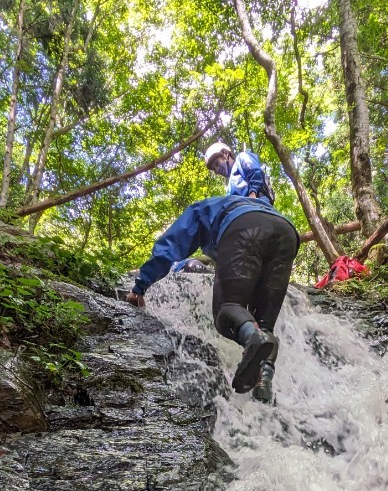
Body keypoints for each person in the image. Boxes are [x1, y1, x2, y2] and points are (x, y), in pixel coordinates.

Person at [125, 193, 298, 404]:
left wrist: (139, 287)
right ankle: (263, 384)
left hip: (243, 226)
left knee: (228, 309)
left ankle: (254, 337)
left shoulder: (203, 208)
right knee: (263, 326)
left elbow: (170, 245)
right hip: (287, 233)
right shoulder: (255, 203)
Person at [203, 141, 275, 204]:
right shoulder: (229, 188)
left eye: (216, 163)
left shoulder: (241, 158)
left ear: (225, 154)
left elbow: (255, 172)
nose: (217, 170)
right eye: (214, 169)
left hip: (257, 203)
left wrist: (253, 194)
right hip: (241, 210)